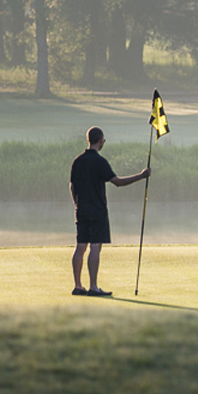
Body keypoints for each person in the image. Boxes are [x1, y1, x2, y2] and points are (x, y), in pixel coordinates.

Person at [70, 126, 150, 296]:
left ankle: (78, 286)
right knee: (95, 247)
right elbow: (117, 182)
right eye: (103, 141)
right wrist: (141, 176)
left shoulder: (78, 161)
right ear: (100, 141)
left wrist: (76, 203)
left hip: (81, 209)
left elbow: (72, 186)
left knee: (81, 246)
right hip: (97, 210)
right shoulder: (100, 162)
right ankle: (93, 287)